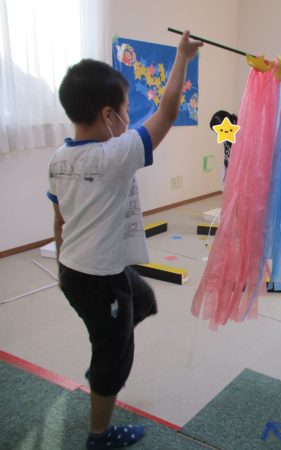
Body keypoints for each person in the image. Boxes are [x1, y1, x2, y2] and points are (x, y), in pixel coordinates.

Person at [47, 32, 203, 449]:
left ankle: (107, 348)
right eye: (127, 111)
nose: (129, 118)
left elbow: (58, 218)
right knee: (115, 356)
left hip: (76, 271)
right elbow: (168, 112)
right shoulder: (113, 155)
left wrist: (62, 264)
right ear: (107, 115)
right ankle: (99, 434)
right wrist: (182, 57)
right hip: (100, 278)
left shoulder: (59, 159)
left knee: (144, 299)